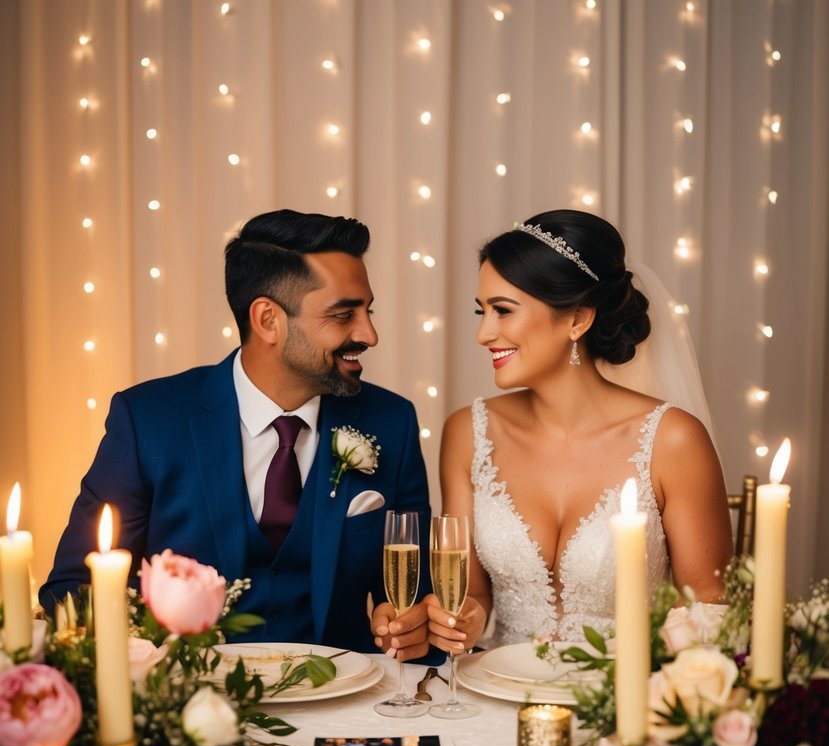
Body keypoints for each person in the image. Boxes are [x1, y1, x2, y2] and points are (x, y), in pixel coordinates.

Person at [40, 210, 432, 659]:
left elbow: (415, 598)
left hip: (346, 702)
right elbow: (72, 588)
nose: (369, 334)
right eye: (344, 315)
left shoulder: (392, 422)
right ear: (267, 320)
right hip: (192, 705)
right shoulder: (148, 420)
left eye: (368, 311)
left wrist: (405, 623)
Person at [428, 209, 733, 652]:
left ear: (577, 319)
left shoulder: (672, 440)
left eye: (502, 311)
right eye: (482, 311)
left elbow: (707, 610)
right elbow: (471, 595)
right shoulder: (467, 432)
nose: (483, 333)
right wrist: (464, 617)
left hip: (619, 703)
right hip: (495, 690)